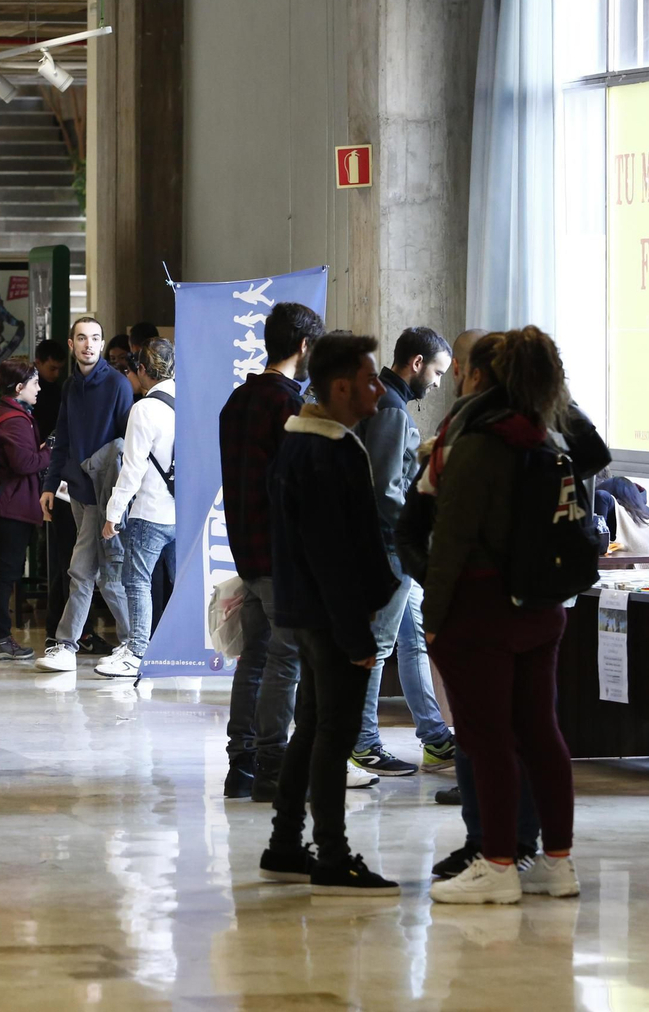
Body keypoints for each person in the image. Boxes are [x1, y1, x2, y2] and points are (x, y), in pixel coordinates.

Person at [424, 327, 588, 905]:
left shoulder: (482, 441)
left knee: (488, 738)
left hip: (481, 610)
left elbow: (452, 539)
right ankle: (557, 863)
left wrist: (433, 617)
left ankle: (497, 864)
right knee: (542, 733)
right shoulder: (555, 441)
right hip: (544, 609)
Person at [260, 332, 398, 896]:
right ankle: (332, 854)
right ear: (340, 388)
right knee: (333, 734)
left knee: (314, 725)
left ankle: (287, 842)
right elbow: (331, 552)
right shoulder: (325, 450)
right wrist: (355, 629)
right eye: (369, 379)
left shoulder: (312, 439)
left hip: (312, 611)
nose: (378, 388)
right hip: (328, 615)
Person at [220, 302, 324, 800]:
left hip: (246, 549)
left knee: (255, 658)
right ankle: (272, 765)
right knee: (286, 661)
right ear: (304, 347)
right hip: (282, 556)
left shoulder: (236, 403)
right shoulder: (289, 407)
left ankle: (240, 764)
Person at [351, 327, 455, 779]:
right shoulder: (392, 409)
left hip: (392, 548)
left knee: (414, 641)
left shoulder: (379, 399)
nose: (436, 383)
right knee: (378, 645)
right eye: (436, 372)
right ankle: (363, 744)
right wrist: (418, 534)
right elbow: (385, 488)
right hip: (391, 547)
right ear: (416, 363)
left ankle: (435, 737)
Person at [36, 317, 133, 673]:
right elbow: (61, 436)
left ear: (103, 343)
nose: (88, 345)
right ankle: (135, 642)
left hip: (103, 495)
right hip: (75, 491)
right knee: (106, 574)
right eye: (81, 338)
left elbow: (127, 446)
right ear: (71, 343)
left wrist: (119, 502)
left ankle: (65, 644)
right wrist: (49, 485)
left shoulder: (118, 385)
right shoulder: (71, 386)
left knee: (81, 569)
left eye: (95, 338)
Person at [98, 338, 176, 679]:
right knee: (180, 582)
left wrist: (113, 514)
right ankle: (177, 648)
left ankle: (138, 651)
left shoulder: (144, 409)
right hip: (183, 512)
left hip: (151, 511)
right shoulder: (188, 401)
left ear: (142, 370)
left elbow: (133, 468)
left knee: (136, 581)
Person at [0, 358, 51, 661]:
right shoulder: (16, 419)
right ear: (19, 388)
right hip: (10, 509)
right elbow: (25, 463)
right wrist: (50, 452)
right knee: (2, 576)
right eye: (34, 383)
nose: (39, 388)